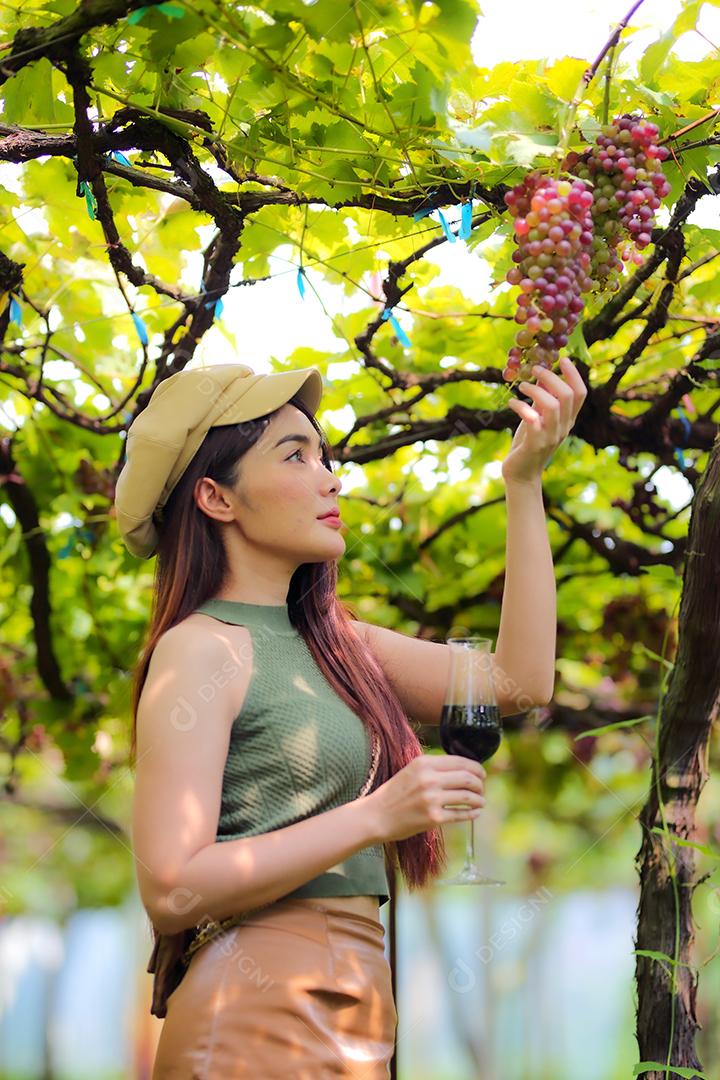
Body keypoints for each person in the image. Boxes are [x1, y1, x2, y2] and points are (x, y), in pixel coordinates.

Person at [114, 362, 494, 1079]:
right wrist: (378, 817)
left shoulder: (340, 644)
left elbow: (515, 683)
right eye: (296, 455)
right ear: (215, 497)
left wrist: (525, 481)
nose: (330, 478)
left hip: (359, 1003)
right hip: (254, 1015)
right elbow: (171, 890)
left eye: (324, 455)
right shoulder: (200, 648)